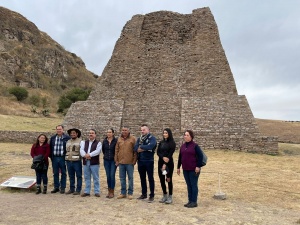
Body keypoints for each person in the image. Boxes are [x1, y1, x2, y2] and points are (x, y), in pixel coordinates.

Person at [177, 130, 204, 208]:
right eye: (185, 135)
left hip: (193, 169)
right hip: (185, 169)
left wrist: (198, 166)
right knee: (189, 185)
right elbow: (180, 157)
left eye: (187, 135)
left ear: (191, 136)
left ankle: (194, 201)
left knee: (193, 185)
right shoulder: (183, 146)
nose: (185, 136)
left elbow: (200, 156)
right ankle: (190, 200)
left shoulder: (195, 146)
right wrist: (178, 167)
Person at [134, 124, 157, 202]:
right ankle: (144, 194)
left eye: (144, 130)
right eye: (141, 130)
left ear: (148, 130)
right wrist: (144, 147)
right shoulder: (139, 138)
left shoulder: (152, 138)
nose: (142, 131)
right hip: (140, 161)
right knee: (142, 178)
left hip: (149, 161)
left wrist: (142, 148)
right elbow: (135, 148)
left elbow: (151, 146)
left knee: (150, 178)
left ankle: (152, 195)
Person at [115, 126, 137, 200]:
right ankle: (123, 192)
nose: (124, 131)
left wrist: (134, 160)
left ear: (128, 131)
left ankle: (130, 193)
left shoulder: (133, 139)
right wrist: (116, 160)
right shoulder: (119, 139)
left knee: (130, 178)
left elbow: (135, 151)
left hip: (129, 162)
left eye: (125, 130)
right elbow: (116, 150)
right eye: (123, 130)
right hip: (121, 162)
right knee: (122, 178)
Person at [80, 129, 102, 197]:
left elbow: (98, 151)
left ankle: (97, 191)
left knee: (95, 177)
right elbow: (81, 150)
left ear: (95, 135)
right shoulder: (83, 142)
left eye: (92, 133)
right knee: (87, 177)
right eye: (90, 133)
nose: (91, 134)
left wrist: (89, 155)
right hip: (86, 162)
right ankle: (87, 191)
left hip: (94, 162)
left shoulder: (98, 143)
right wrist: (85, 155)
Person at [157, 128, 176, 204]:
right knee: (162, 179)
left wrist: (165, 164)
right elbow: (158, 152)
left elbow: (170, 154)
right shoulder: (161, 142)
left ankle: (170, 196)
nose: (164, 134)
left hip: (168, 164)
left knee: (168, 179)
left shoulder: (172, 143)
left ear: (169, 134)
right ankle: (164, 194)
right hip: (161, 163)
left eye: (166, 133)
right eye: (164, 133)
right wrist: (162, 158)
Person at [49, 125, 70, 194]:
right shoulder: (53, 138)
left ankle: (63, 187)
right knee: (55, 173)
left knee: (63, 172)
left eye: (60, 129)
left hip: (62, 158)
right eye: (57, 129)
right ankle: (56, 187)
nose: (59, 130)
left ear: (63, 130)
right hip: (54, 157)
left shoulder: (67, 138)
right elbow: (50, 147)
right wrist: (51, 157)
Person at [65, 128, 82, 195]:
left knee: (78, 176)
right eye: (71, 133)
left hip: (77, 161)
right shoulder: (68, 141)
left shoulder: (81, 141)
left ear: (77, 134)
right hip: (69, 161)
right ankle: (72, 189)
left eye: (74, 133)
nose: (72, 134)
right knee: (71, 176)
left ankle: (78, 189)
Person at [102, 128, 118, 198]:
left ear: (113, 133)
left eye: (110, 132)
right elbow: (103, 150)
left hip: (113, 161)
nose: (108, 133)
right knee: (108, 176)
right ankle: (109, 191)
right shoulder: (104, 141)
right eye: (108, 132)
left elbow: (117, 151)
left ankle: (112, 191)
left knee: (112, 175)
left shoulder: (116, 141)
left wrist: (116, 159)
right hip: (106, 160)